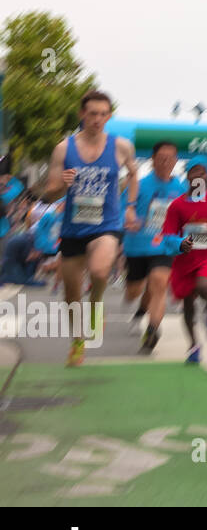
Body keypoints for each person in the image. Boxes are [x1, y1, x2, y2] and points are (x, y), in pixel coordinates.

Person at [38, 90, 140, 367]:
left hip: (106, 225)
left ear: (108, 116)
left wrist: (130, 205)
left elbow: (133, 173)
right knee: (71, 294)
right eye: (92, 113)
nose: (97, 119)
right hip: (73, 229)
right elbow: (48, 194)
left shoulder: (120, 146)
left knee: (99, 271)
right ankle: (78, 341)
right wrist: (62, 185)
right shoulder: (64, 148)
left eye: (103, 114)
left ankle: (96, 307)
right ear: (82, 114)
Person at [160, 157, 207, 363]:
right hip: (185, 260)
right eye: (194, 172)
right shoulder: (177, 206)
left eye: (203, 173)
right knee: (188, 307)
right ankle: (193, 345)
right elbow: (167, 234)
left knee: (204, 285)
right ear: (187, 176)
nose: (198, 176)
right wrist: (179, 243)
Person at [121, 141, 186, 352]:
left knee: (159, 283)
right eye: (161, 158)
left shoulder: (182, 188)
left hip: (165, 245)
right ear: (152, 160)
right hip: (137, 246)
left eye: (170, 158)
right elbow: (122, 211)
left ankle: (152, 329)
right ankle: (140, 307)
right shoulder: (138, 185)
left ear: (176, 161)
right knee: (135, 291)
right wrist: (129, 219)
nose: (166, 162)